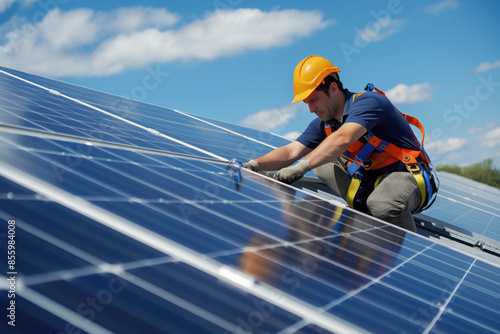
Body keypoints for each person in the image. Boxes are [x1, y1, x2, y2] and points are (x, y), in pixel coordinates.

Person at [243, 55, 438, 232]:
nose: (311, 109)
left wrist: (302, 167)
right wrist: (255, 165)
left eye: (314, 100)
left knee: (382, 205)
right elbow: (292, 151)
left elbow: (343, 138)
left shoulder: (369, 102)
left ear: (333, 88)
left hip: (407, 175)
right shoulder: (323, 124)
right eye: (307, 103)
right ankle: (365, 210)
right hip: (371, 178)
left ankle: (405, 259)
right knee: (321, 163)